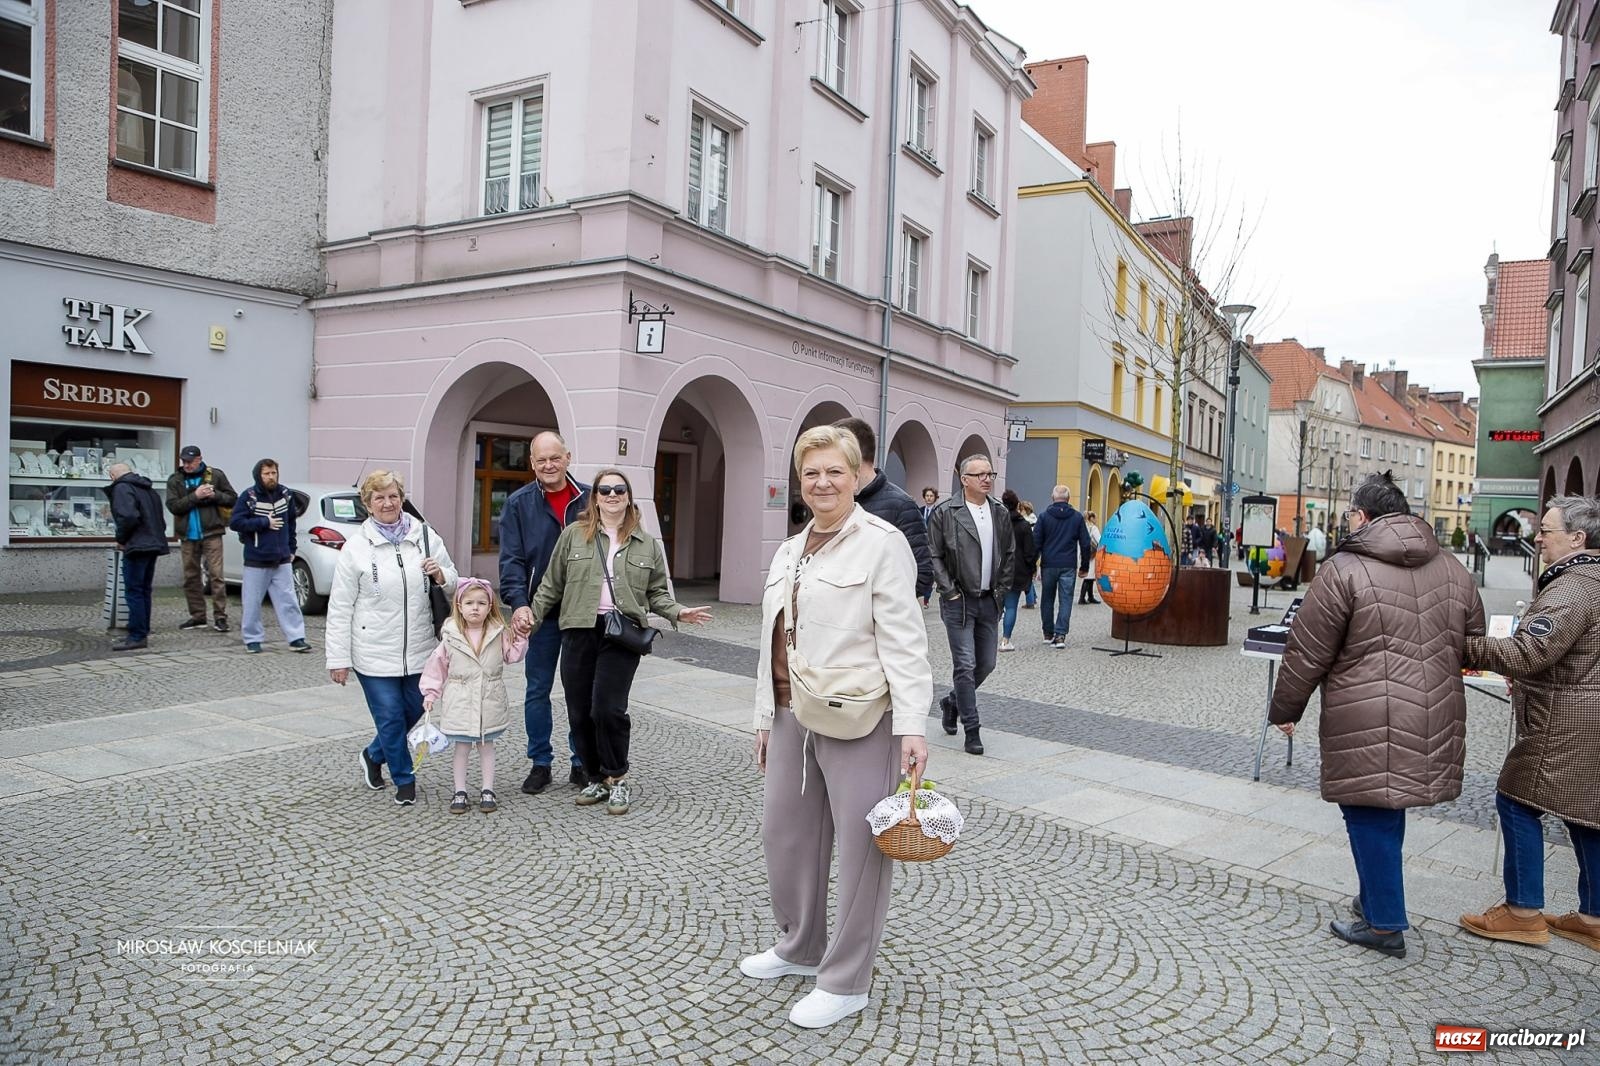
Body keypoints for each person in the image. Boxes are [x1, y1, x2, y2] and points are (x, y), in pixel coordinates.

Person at [744, 425, 931, 1029]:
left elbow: (905, 641)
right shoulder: (790, 549)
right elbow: (773, 639)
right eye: (811, 473)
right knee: (785, 834)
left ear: (857, 476)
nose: (822, 483)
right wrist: (765, 717)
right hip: (791, 712)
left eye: (834, 472)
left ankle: (847, 979)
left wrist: (911, 727)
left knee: (861, 849)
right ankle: (800, 945)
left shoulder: (882, 543)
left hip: (861, 715)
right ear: (801, 483)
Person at [1268, 473, 1482, 959]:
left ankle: (1384, 924)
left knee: (1367, 813)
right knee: (1387, 807)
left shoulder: (1343, 569)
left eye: (1350, 513)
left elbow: (1307, 650)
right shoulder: (1452, 567)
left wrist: (1285, 709)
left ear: (1362, 517)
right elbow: (1473, 639)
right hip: (1431, 711)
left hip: (1365, 713)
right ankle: (1373, 899)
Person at [523, 468, 711, 816]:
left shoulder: (647, 543)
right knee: (579, 711)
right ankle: (594, 777)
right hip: (579, 628)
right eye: (605, 490)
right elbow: (551, 583)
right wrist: (529, 619)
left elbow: (656, 592)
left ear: (628, 497)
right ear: (594, 497)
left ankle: (617, 777)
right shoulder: (573, 536)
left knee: (607, 708)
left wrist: (677, 612)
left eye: (619, 490)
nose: (612, 495)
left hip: (621, 632)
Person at [1457, 495, 1600, 953]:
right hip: (1587, 714)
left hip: (1564, 717)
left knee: (1515, 799)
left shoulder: (1574, 587)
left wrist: (1468, 648)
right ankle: (1593, 917)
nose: (1537, 537)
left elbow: (1527, 653)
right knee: (1586, 814)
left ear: (1577, 538)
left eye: (1547, 530)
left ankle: (1522, 912)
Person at [327, 470, 459, 807]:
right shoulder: (356, 548)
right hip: (372, 650)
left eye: (393, 496)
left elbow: (455, 582)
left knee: (412, 710)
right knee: (388, 715)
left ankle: (373, 755)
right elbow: (341, 606)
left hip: (419, 647)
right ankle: (404, 778)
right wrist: (338, 658)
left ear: (401, 498)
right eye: (379, 498)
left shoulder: (424, 536)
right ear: (368, 505)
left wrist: (442, 574)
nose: (388, 503)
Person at [498, 431, 587, 795]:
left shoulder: (590, 500)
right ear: (531, 463)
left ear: (567, 457)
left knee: (579, 691)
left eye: (554, 458)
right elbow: (512, 560)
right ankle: (540, 762)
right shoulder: (519, 503)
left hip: (583, 612)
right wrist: (518, 603)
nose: (548, 465)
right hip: (539, 613)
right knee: (537, 690)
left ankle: (582, 761)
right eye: (540, 460)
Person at [926, 454, 1014, 754]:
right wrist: (948, 590)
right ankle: (972, 728)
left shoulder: (999, 512)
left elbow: (1009, 555)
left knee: (986, 663)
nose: (986, 479)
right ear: (964, 480)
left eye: (989, 473)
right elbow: (934, 554)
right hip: (958, 601)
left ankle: (952, 702)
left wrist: (1001, 593)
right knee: (965, 665)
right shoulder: (946, 512)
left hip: (989, 600)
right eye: (980, 475)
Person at [421, 578, 528, 816]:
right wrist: (430, 693)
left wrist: (520, 636)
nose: (475, 608)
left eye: (481, 603)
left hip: (489, 699)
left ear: (490, 606)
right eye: (469, 603)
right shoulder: (450, 635)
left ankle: (487, 789)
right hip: (460, 699)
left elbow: (512, 655)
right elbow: (436, 666)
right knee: (461, 748)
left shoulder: (498, 633)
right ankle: (460, 791)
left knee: (486, 746)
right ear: (459, 605)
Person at [833, 417, 933, 603]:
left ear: (854, 455)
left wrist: (870, 605)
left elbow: (922, 574)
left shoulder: (901, 505)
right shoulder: (837, 501)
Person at [229, 458, 313, 655]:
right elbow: (235, 522)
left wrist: (292, 549)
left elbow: (291, 524)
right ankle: (253, 639)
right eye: (266, 473)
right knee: (251, 602)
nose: (271, 477)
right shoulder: (248, 496)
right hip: (256, 559)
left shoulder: (286, 494)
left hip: (282, 558)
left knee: (288, 600)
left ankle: (296, 638)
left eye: (273, 473)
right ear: (259, 475)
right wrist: (263, 523)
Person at [165, 445, 237, 632]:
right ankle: (198, 616)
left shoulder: (216, 475)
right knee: (191, 577)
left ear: (199, 459)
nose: (186, 465)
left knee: (216, 576)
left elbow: (232, 498)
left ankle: (220, 617)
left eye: (190, 461)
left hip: (212, 533)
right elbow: (173, 506)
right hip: (188, 535)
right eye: (184, 461)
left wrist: (215, 495)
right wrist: (195, 496)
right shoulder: (175, 480)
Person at [104, 462, 170, 652]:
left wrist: (121, 539)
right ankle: (142, 629)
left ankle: (137, 635)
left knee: (134, 591)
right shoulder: (148, 489)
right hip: (153, 544)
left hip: (137, 545)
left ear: (113, 476)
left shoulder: (122, 488)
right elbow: (161, 520)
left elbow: (127, 516)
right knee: (144, 590)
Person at [1033, 485, 1093, 649]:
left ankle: (1047, 633)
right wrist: (1084, 566)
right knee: (1066, 600)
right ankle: (1060, 636)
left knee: (1047, 599)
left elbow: (1036, 543)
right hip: (1068, 564)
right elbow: (1086, 543)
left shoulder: (1044, 517)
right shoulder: (1077, 518)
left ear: (1053, 498)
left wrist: (1032, 564)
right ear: (1068, 499)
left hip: (1049, 564)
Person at [999, 490, 1037, 652]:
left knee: (994, 606)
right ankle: (1005, 640)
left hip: (997, 569)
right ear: (1017, 505)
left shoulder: (997, 523)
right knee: (1011, 606)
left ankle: (985, 637)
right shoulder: (1024, 526)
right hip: (1017, 570)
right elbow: (1030, 552)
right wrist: (1032, 568)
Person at [1079, 511, 1102, 605]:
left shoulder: (1084, 527)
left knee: (1090, 576)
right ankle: (1082, 598)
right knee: (1089, 577)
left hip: (1084, 553)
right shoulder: (1093, 528)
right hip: (1092, 554)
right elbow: (1099, 540)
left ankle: (1090, 596)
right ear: (1091, 518)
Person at [1019, 500, 1039, 608]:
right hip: (1034, 551)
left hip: (1027, 551)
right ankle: (1033, 597)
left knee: (1027, 576)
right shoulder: (1034, 519)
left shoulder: (1026, 522)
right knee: (1029, 575)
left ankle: (1030, 601)